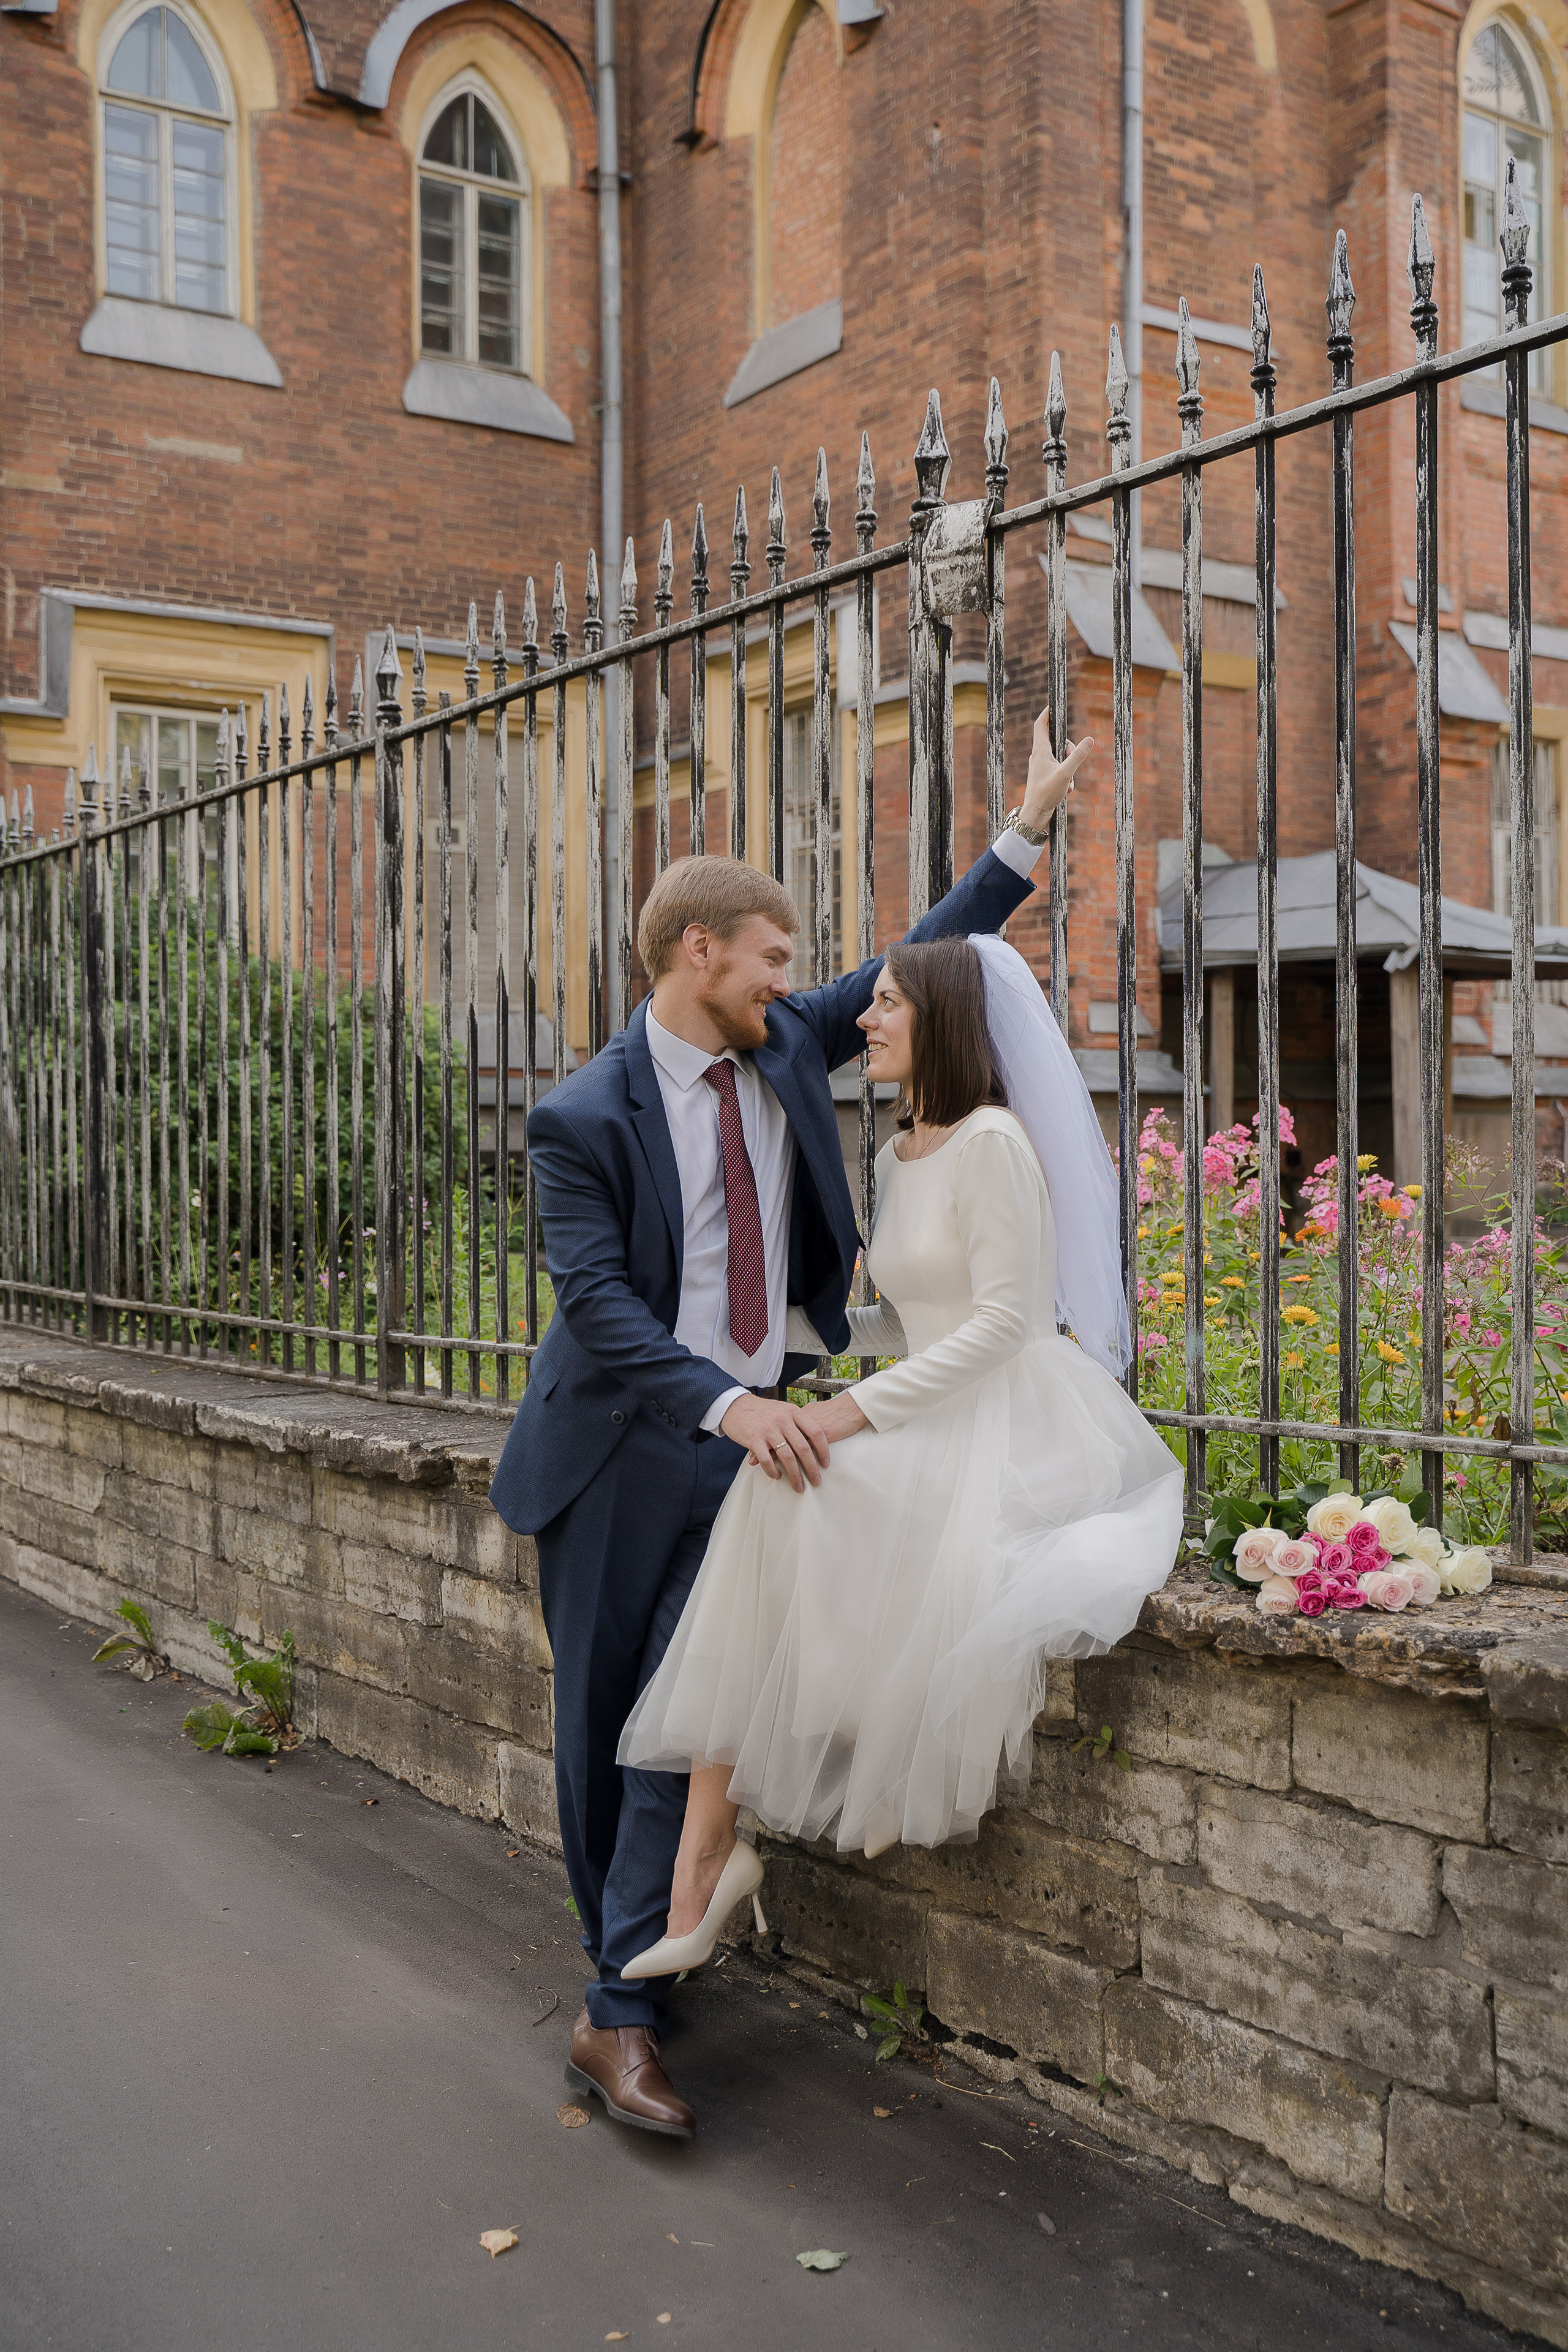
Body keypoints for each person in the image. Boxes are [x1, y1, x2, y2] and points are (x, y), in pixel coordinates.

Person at [488, 707, 1090, 2139]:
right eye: (769, 957)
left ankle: (621, 2014)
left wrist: (1024, 830)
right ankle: (626, 1960)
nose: (793, 982)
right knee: (597, 1728)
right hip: (623, 1449)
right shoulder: (581, 1117)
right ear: (699, 955)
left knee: (683, 1717)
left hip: (768, 1451)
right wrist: (727, 1405)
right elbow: (597, 1309)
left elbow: (923, 956)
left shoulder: (782, 1046)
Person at [616, 930, 1183, 1977]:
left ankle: (720, 1854)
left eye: (885, 1006)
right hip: (935, 1406)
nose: (864, 1024)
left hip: (1016, 1421)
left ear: (942, 1021)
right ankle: (714, 1853)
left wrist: (850, 1416)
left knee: (794, 1477)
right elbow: (909, 1319)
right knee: (777, 1474)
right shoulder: (897, 1151)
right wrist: (757, 1346)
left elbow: (1006, 1325)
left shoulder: (996, 1143)